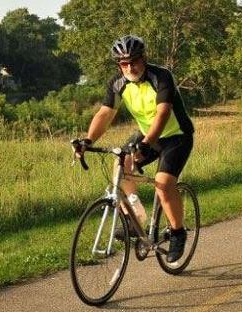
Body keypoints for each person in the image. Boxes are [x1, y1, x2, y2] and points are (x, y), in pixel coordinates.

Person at [72, 35, 194, 263]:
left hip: (176, 136)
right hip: (147, 135)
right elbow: (105, 113)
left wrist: (147, 144)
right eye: (124, 63)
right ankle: (135, 216)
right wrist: (88, 141)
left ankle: (177, 233)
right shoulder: (118, 84)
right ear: (119, 65)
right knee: (120, 164)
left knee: (164, 184)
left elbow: (163, 113)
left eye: (134, 61)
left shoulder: (161, 76)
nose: (130, 67)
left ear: (143, 58)